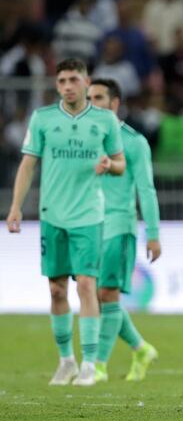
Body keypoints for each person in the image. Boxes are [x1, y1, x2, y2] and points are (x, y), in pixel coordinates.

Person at [5, 58, 125, 386]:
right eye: (61, 81)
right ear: (56, 85)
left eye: (73, 79)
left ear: (86, 83)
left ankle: (89, 364)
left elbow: (120, 163)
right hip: (52, 216)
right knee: (57, 290)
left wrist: (109, 165)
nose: (67, 86)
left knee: (86, 284)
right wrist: (16, 206)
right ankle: (66, 361)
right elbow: (28, 164)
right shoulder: (43, 119)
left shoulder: (104, 121)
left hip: (89, 214)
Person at [87, 79, 161, 383]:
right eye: (89, 97)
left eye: (99, 97)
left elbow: (146, 189)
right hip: (87, 225)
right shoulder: (85, 140)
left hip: (119, 225)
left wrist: (153, 233)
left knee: (107, 293)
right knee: (96, 295)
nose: (91, 103)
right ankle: (141, 348)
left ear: (115, 103)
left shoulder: (133, 142)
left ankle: (98, 366)